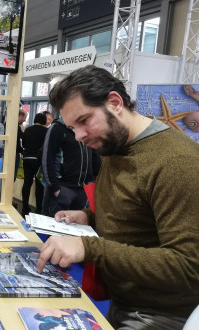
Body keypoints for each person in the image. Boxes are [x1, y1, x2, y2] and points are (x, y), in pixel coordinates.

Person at [37, 65, 199, 329]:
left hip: (161, 314)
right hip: (121, 302)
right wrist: (88, 217)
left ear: (114, 102)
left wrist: (90, 248)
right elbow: (135, 215)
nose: (78, 136)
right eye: (71, 127)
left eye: (84, 120)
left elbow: (188, 267)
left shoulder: (177, 163)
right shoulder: (115, 147)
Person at [40, 113, 100, 217]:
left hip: (82, 190)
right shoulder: (58, 128)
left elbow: (93, 155)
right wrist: (55, 188)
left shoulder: (86, 129)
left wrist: (95, 179)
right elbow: (46, 158)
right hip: (62, 188)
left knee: (75, 230)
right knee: (54, 228)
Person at [21, 113, 48, 216]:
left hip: (27, 159)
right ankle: (39, 209)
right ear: (44, 121)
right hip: (39, 161)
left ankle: (25, 208)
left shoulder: (28, 130)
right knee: (39, 185)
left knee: (27, 183)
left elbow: (23, 144)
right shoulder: (46, 131)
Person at [15, 109, 26, 180]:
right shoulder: (16, 127)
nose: (24, 120)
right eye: (24, 117)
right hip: (15, 154)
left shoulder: (14, 126)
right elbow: (18, 142)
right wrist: (22, 151)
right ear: (20, 116)